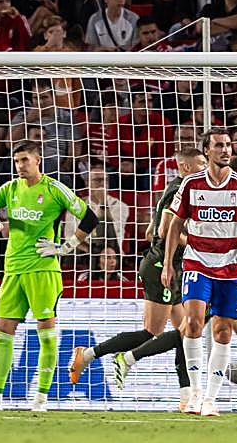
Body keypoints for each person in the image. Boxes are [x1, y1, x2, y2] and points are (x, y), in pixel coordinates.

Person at [0, 140, 99, 411]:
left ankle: (41, 398)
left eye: (25, 160)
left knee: (46, 333)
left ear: (38, 160)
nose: (20, 166)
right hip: (13, 269)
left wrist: (65, 247)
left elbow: (90, 218)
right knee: (3, 331)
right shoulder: (10, 188)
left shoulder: (54, 189)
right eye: (17, 161)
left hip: (43, 270)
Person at [70, 147, 201, 403]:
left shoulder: (178, 189)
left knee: (185, 333)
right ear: (186, 167)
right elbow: (163, 230)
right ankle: (88, 355)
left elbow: (150, 228)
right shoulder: (179, 189)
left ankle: (187, 397)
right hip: (163, 267)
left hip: (171, 265)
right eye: (200, 165)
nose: (205, 170)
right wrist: (198, 244)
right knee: (152, 332)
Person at [160, 132, 237, 416]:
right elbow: (176, 224)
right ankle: (194, 394)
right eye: (219, 145)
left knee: (223, 330)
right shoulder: (192, 183)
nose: (225, 150)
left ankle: (211, 400)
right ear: (207, 150)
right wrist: (168, 263)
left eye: (228, 145)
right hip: (197, 262)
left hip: (231, 266)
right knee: (192, 323)